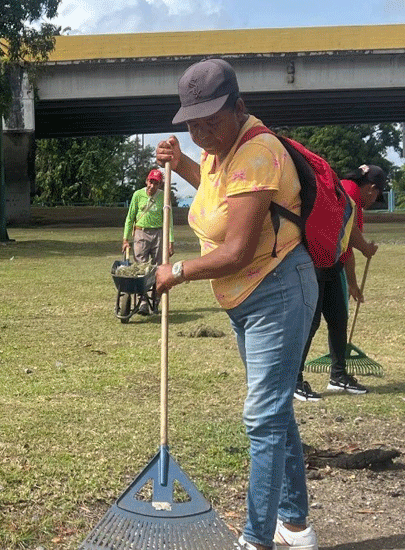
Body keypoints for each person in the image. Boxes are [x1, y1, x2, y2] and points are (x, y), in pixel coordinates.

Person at [154, 59, 319, 550]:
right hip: (245, 300)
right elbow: (216, 194)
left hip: (278, 291)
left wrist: (177, 271)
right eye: (192, 123)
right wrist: (180, 160)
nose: (201, 131)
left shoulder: (258, 151)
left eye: (210, 119)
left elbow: (238, 251)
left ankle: (256, 539)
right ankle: (296, 526)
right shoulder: (216, 149)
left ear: (239, 106)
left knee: (262, 417)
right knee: (275, 413)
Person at [292, 166, 386, 401]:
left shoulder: (349, 193)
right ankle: (293, 380)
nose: (374, 200)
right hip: (317, 259)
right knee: (310, 322)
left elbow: (345, 249)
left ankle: (338, 376)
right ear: (371, 189)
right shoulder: (349, 191)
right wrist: (365, 247)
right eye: (377, 195)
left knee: (338, 318)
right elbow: (350, 231)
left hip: (332, 262)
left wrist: (352, 284)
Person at [121, 168, 174, 265]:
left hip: (158, 234)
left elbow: (169, 220)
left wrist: (171, 241)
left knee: (159, 266)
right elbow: (130, 218)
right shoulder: (137, 195)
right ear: (146, 181)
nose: (152, 186)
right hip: (141, 233)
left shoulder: (164, 196)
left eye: (156, 183)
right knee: (141, 266)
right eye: (151, 182)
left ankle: (156, 281)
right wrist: (125, 239)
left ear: (160, 184)